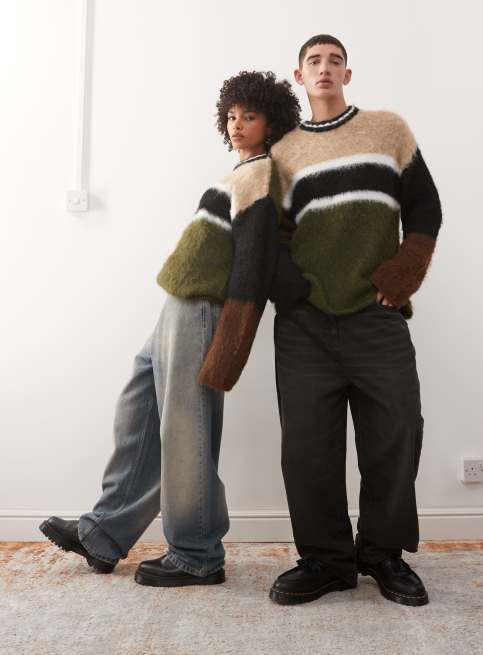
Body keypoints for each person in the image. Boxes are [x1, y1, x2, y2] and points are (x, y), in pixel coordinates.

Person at [40, 70, 302, 588]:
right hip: (177, 305)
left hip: (202, 310)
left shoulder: (264, 174)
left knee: (185, 428)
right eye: (231, 116)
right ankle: (104, 533)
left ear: (271, 123)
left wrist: (231, 344)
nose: (237, 125)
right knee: (138, 412)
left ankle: (196, 553)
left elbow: (253, 264)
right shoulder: (241, 171)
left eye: (250, 116)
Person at [266, 34, 443, 607]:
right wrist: (292, 292)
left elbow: (425, 206)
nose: (325, 68)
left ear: (347, 73)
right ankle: (326, 561)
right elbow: (270, 235)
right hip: (304, 326)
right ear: (299, 75)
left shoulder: (388, 131)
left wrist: (404, 272)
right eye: (314, 61)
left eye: (334, 61)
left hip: (376, 314)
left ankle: (383, 555)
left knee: (397, 431)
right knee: (307, 449)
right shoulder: (283, 151)